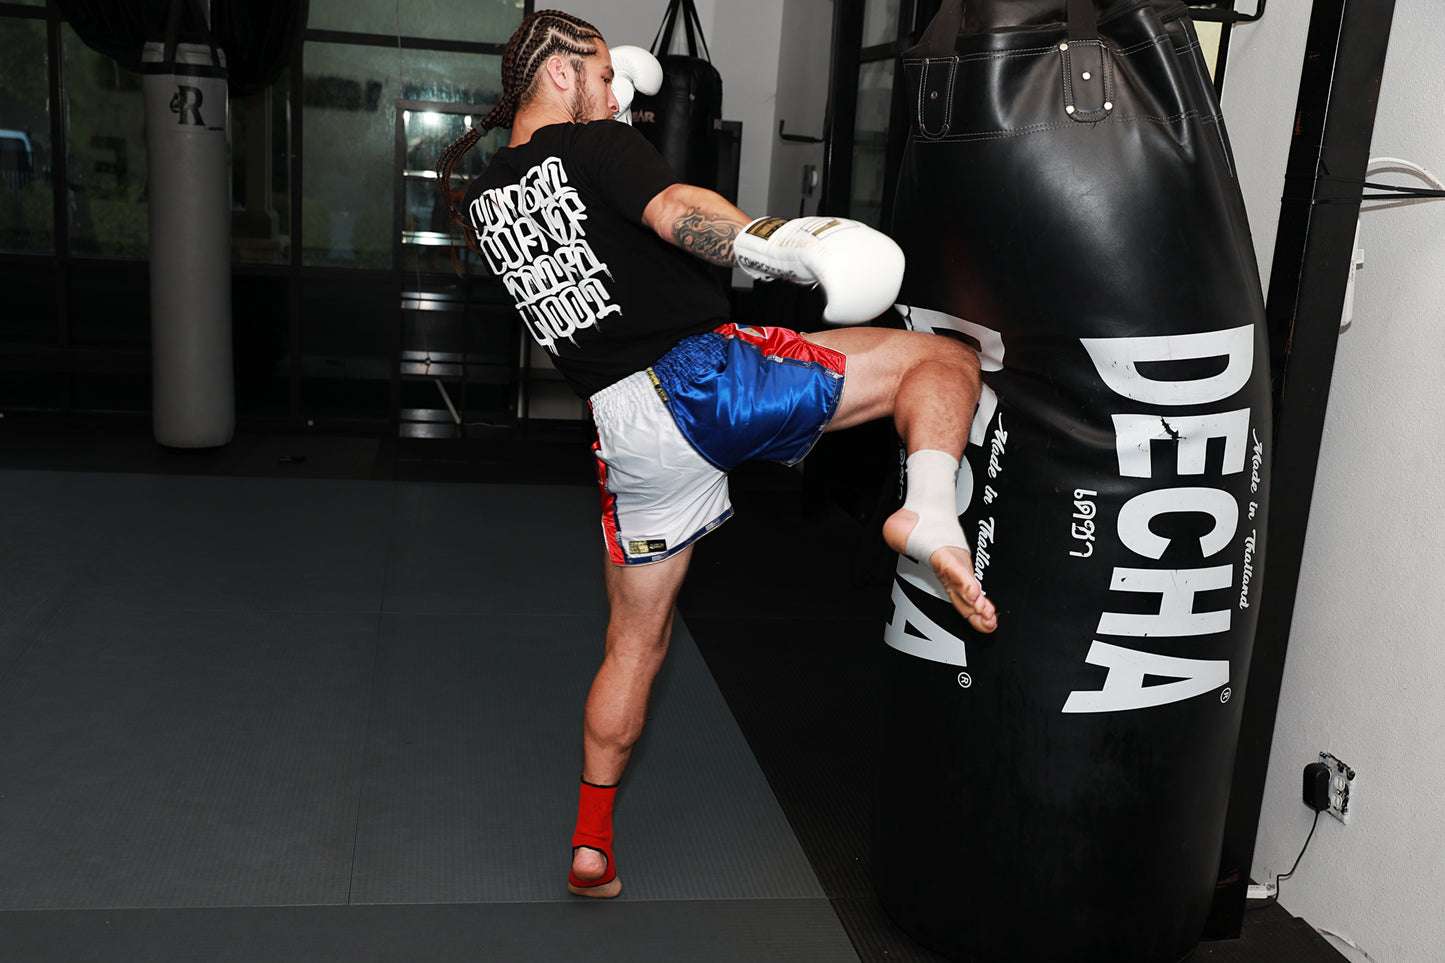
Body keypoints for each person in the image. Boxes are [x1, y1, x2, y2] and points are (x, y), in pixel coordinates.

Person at [437, 9, 998, 900]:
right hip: (702, 382)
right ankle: (928, 507)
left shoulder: (491, 199)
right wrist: (771, 243)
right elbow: (676, 212)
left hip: (626, 436)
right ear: (556, 75)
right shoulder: (592, 150)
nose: (618, 96)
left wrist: (612, 93)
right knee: (944, 359)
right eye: (602, 74)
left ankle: (591, 844)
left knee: (634, 643)